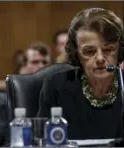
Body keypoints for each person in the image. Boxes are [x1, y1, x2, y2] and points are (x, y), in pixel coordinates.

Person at [38, 8, 124, 140]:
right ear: (76, 54)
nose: (100, 58)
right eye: (89, 51)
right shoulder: (55, 87)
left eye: (108, 49)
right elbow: (39, 141)